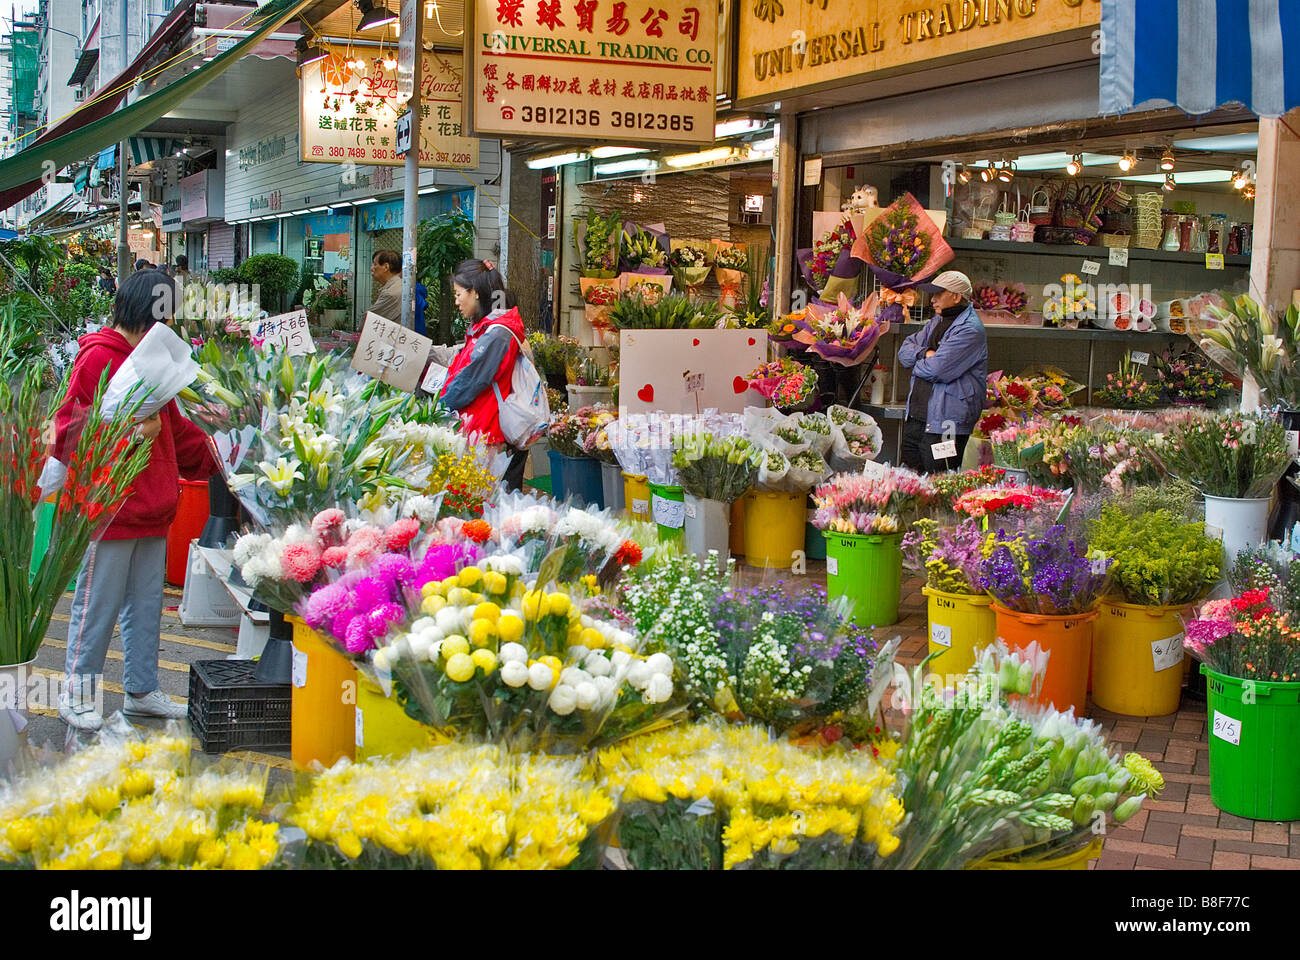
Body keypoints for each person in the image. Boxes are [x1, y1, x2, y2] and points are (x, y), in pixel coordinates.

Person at [55, 269, 219, 731]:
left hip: (152, 506)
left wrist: (218, 452)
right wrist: (129, 430)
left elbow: (174, 431)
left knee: (145, 608)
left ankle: (141, 690)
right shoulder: (98, 359)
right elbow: (69, 431)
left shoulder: (146, 358)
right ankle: (77, 693)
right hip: (108, 508)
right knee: (97, 607)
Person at [440, 259, 531, 492]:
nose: (457, 301)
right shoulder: (487, 328)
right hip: (479, 429)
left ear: (476, 293)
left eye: (459, 294)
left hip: (487, 432)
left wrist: (439, 407)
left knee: (481, 506)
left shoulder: (498, 333)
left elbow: (472, 380)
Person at [897, 270, 988, 474]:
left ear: (956, 297)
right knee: (909, 480)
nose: (933, 300)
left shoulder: (970, 329)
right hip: (917, 417)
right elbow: (903, 352)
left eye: (939, 294)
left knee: (939, 482)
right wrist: (925, 353)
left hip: (946, 424)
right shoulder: (936, 321)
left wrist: (918, 362)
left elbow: (938, 370)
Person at [369, 249, 403, 322]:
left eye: (375, 264)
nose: (371, 268)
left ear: (386, 267)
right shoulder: (400, 285)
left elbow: (368, 321)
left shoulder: (391, 293)